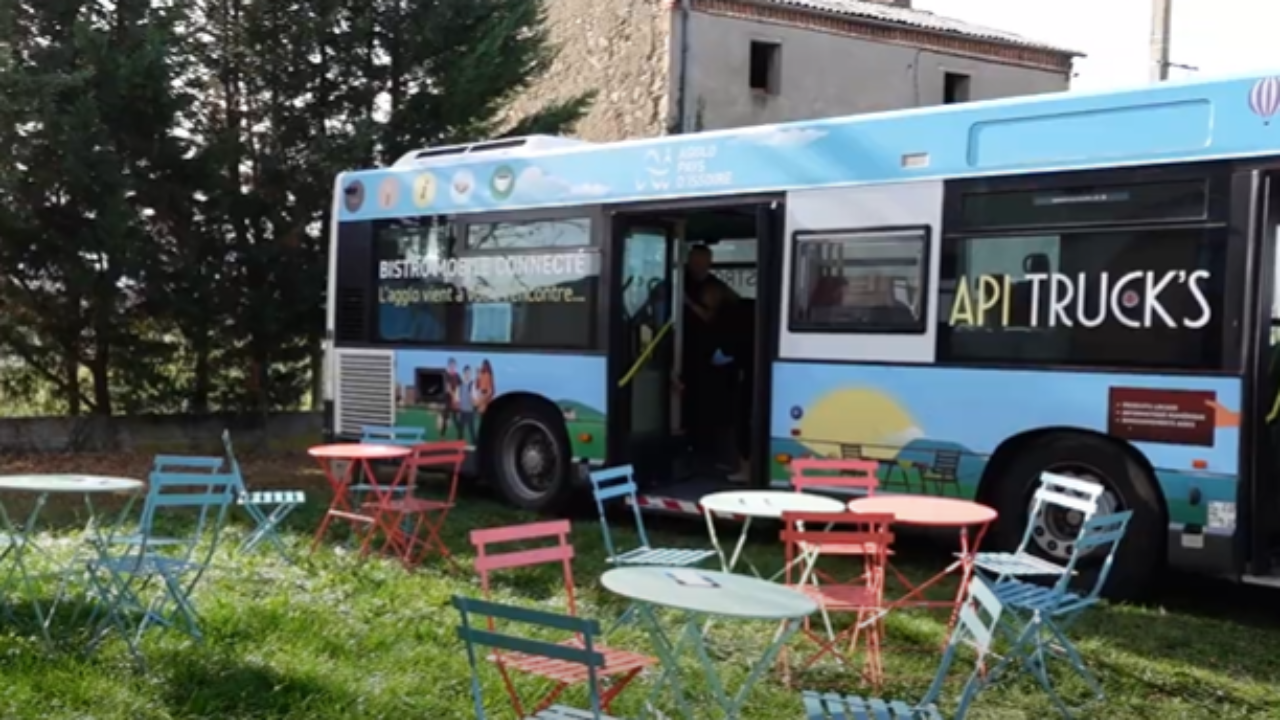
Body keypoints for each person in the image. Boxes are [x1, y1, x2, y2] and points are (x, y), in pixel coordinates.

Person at [457, 365, 479, 443]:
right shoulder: (461, 385)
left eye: (469, 373)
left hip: (470, 410)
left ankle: (475, 448)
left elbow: (475, 397)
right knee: (460, 431)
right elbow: (459, 398)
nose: (468, 374)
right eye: (466, 373)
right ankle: (459, 447)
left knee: (472, 430)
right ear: (464, 373)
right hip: (462, 410)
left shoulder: (472, 384)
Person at [441, 357, 460, 437]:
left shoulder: (457, 376)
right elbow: (447, 388)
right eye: (451, 365)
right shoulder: (446, 375)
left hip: (455, 400)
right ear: (448, 365)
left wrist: (457, 398)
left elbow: (459, 387)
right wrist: (453, 396)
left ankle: (459, 435)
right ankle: (442, 435)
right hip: (448, 399)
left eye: (454, 365)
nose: (452, 367)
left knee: (455, 418)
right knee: (445, 417)